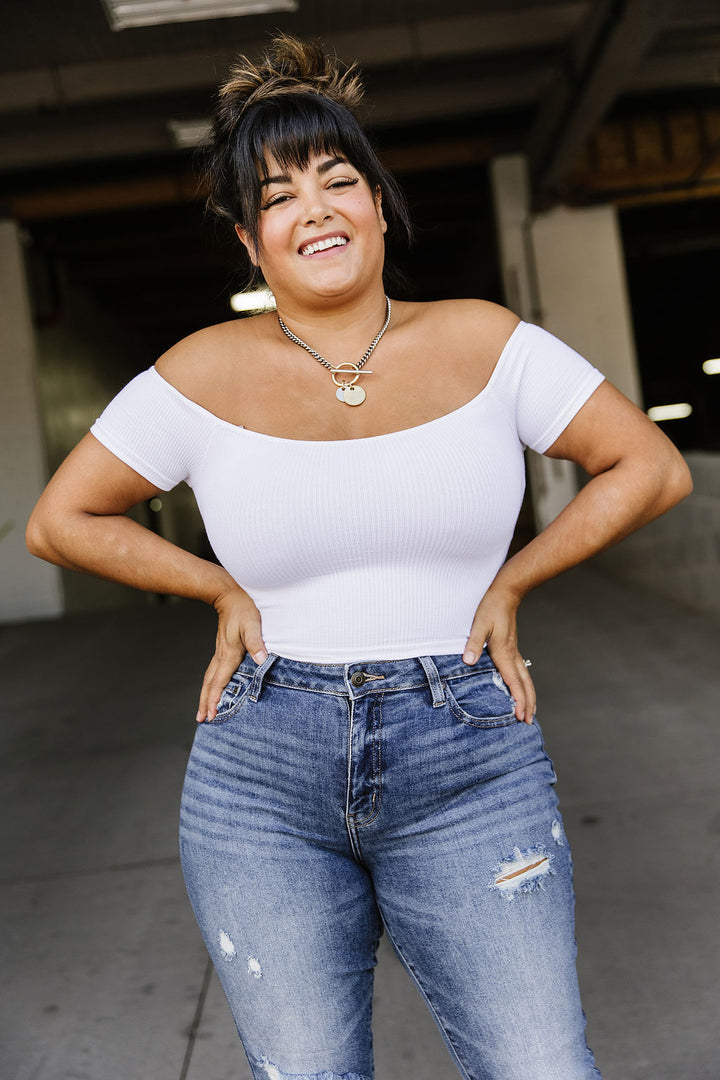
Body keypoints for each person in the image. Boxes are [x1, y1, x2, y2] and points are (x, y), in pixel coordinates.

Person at [26, 33, 691, 1080]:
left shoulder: (485, 341)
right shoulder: (199, 371)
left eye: (339, 180)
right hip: (260, 774)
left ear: (380, 205)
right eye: (279, 196)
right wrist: (215, 586)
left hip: (470, 754)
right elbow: (62, 521)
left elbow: (648, 467)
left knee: (542, 1069)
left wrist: (515, 578)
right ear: (251, 241)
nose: (316, 208)